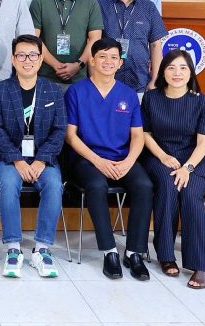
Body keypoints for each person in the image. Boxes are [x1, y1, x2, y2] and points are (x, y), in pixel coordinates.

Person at [64, 38, 152, 280]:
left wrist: (129, 162)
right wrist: (98, 161)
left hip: (122, 158)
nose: (108, 61)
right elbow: (70, 136)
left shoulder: (129, 94)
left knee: (144, 185)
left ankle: (134, 252)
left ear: (120, 63)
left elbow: (138, 136)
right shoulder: (76, 92)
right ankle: (109, 251)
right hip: (87, 159)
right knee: (96, 185)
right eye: (102, 56)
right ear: (92, 60)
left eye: (114, 57)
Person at [0, 34, 66, 278]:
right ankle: (13, 248)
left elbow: (59, 130)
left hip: (43, 157)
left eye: (33, 55)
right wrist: (17, 160)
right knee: (9, 183)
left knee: (54, 184)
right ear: (13, 59)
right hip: (8, 157)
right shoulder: (0, 90)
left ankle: (42, 249)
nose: (27, 60)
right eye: (21, 55)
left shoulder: (54, 91)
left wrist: (41, 160)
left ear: (41, 59)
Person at [140, 50, 205, 289]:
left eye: (183, 68)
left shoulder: (202, 102)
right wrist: (163, 156)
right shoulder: (151, 98)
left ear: (191, 72)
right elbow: (145, 134)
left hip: (195, 160)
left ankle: (203, 265)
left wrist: (188, 168)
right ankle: (166, 255)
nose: (177, 73)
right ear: (162, 71)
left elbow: (203, 143)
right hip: (160, 156)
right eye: (171, 67)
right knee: (167, 186)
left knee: (192, 195)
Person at [30, 0, 103, 90]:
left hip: (80, 80)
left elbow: (95, 39)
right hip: (45, 78)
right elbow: (34, 39)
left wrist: (78, 65)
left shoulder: (91, 2)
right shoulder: (40, 1)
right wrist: (56, 65)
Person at [97, 0, 168, 96]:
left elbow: (156, 44)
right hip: (105, 84)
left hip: (140, 83)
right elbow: (92, 42)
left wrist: (155, 79)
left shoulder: (148, 7)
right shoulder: (98, 5)